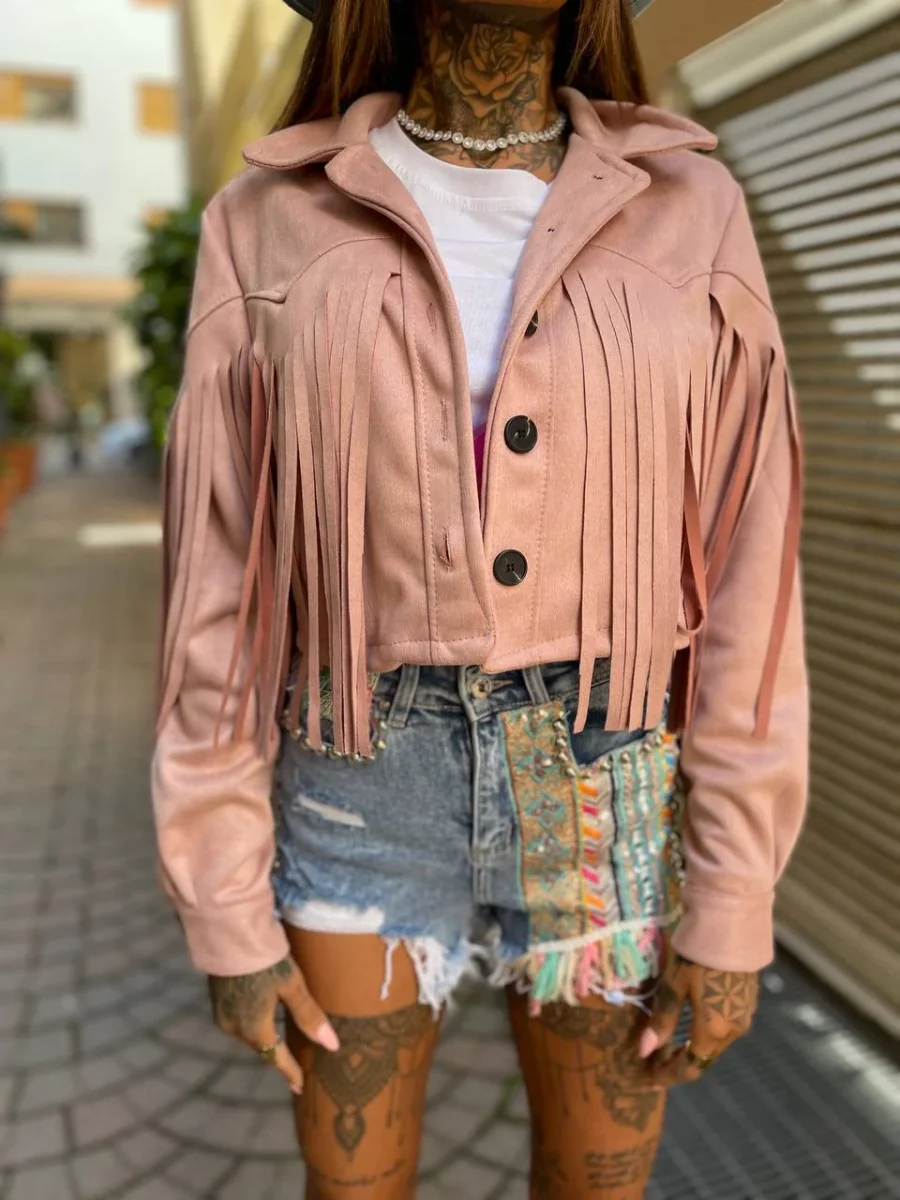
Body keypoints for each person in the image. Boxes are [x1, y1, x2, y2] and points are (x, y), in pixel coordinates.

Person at [152, 1, 809, 1195]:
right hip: (361, 770)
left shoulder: (690, 205)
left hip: (602, 772)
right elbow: (219, 582)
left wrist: (732, 896)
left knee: (601, 1182)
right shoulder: (265, 219)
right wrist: (222, 905)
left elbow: (751, 566)